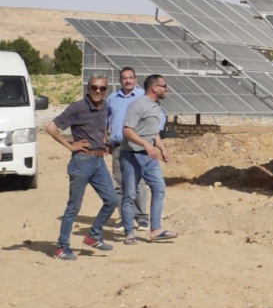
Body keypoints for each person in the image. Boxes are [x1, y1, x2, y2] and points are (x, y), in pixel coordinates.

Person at [45, 74, 119, 259]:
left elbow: (102, 126)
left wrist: (104, 139)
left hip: (98, 161)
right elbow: (51, 128)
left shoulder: (105, 107)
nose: (98, 91)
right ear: (88, 88)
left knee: (111, 200)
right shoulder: (77, 107)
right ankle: (61, 247)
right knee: (74, 207)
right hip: (82, 162)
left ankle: (93, 236)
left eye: (102, 88)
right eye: (94, 87)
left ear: (105, 90)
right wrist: (70, 145)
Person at [120, 74, 176, 242]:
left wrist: (162, 148)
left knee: (159, 188)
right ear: (154, 88)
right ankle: (129, 233)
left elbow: (153, 132)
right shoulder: (138, 105)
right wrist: (145, 144)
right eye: (164, 85)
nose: (167, 89)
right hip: (131, 155)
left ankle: (156, 229)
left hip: (150, 157)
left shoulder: (156, 106)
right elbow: (127, 130)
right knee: (130, 194)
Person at [107, 65, 148, 219]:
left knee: (138, 182)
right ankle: (124, 217)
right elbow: (106, 120)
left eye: (130, 78)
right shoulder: (112, 98)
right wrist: (106, 141)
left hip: (137, 146)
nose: (128, 81)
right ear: (120, 81)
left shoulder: (143, 97)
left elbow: (154, 117)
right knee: (119, 184)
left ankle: (141, 217)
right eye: (124, 78)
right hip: (118, 146)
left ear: (135, 80)